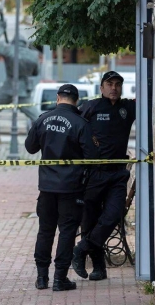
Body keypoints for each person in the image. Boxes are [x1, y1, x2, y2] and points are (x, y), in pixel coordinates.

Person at [25, 84, 98, 291]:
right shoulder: (80, 123)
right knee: (67, 232)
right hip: (71, 188)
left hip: (47, 187)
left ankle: (41, 278)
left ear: (58, 98)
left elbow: (30, 148)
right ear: (76, 101)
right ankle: (60, 279)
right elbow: (92, 157)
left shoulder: (42, 119)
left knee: (45, 231)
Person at [71, 71, 136, 281]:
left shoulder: (128, 107)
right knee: (90, 221)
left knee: (113, 215)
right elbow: (73, 129)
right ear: (101, 88)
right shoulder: (91, 107)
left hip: (117, 174)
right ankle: (99, 268)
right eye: (109, 84)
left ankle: (81, 249)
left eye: (118, 84)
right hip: (93, 173)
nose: (114, 88)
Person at [0, 18, 40, 144]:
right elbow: (36, 72)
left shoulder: (9, 49)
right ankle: (45, 137)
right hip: (24, 89)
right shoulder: (33, 55)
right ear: (24, 43)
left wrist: (1, 30)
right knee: (36, 117)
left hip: (9, 87)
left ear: (14, 42)